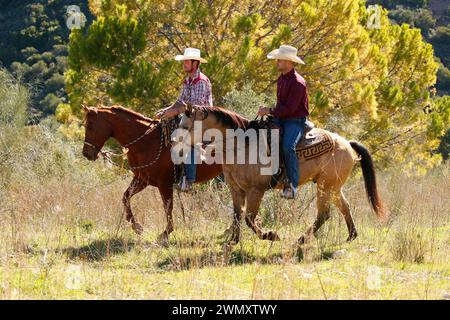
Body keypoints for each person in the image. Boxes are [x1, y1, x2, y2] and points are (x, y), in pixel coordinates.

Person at [156, 47, 213, 192]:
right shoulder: (187, 80)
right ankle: (175, 173)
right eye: (184, 61)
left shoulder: (201, 81)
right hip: (189, 117)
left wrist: (174, 111)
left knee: (190, 142)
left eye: (187, 61)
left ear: (195, 64)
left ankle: (189, 180)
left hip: (203, 118)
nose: (184, 64)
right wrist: (166, 111)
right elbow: (180, 101)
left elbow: (196, 107)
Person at [258, 45, 309, 199]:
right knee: (262, 134)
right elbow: (282, 107)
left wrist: (269, 111)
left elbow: (290, 110)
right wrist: (271, 114)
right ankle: (271, 175)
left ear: (289, 62)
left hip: (295, 120)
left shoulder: (298, 83)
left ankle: (292, 185)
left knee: (288, 146)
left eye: (280, 59)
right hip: (282, 118)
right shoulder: (282, 79)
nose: (277, 62)